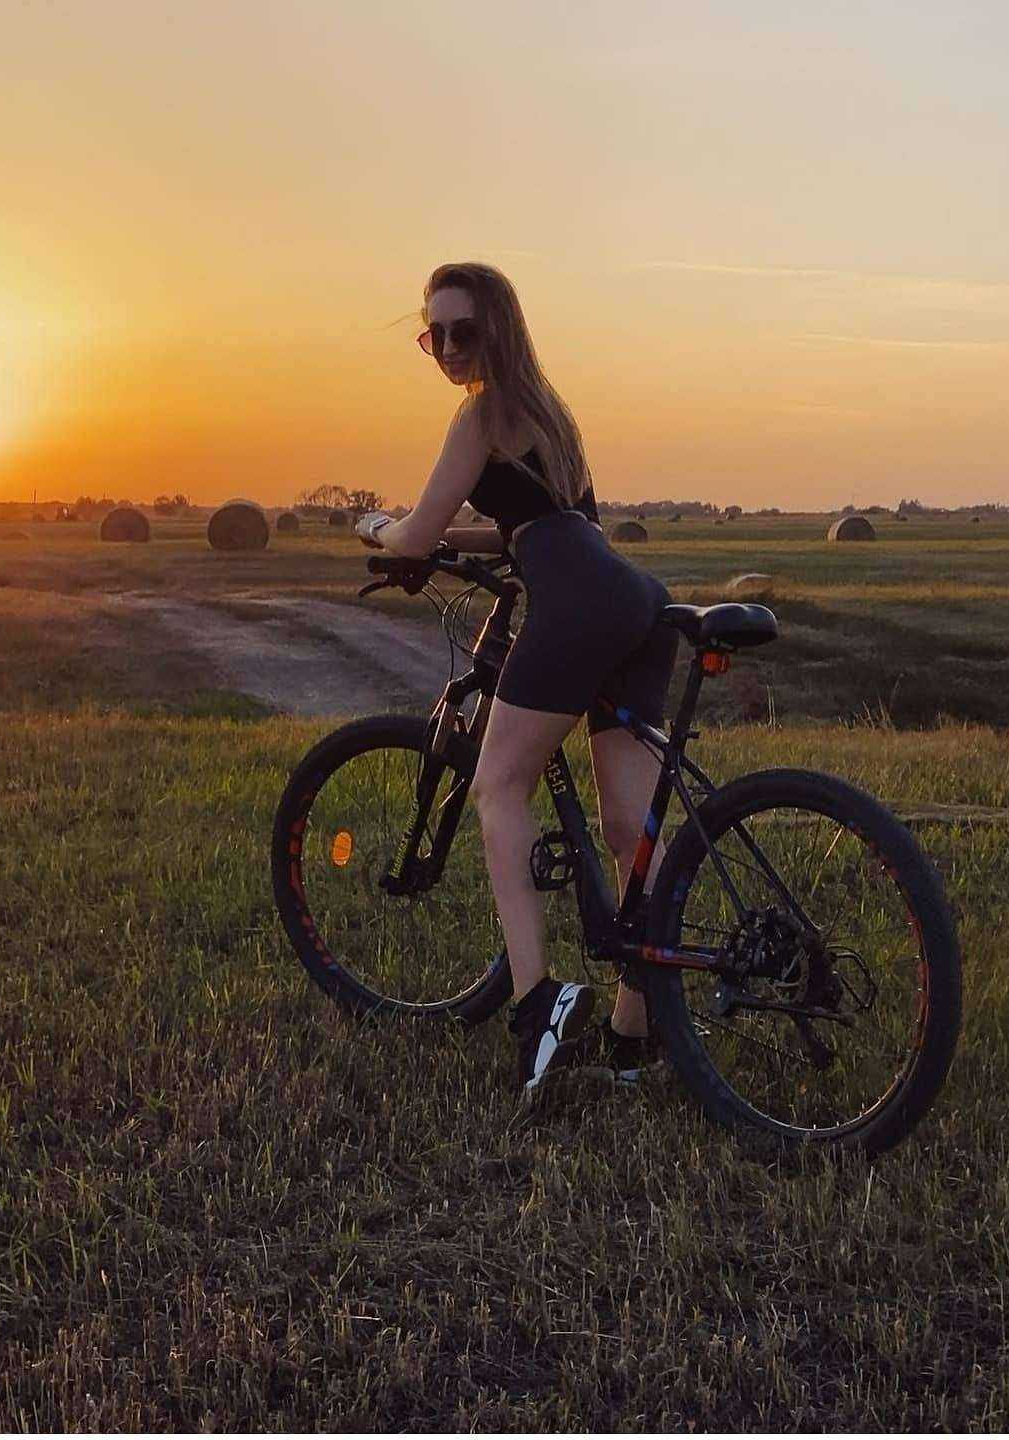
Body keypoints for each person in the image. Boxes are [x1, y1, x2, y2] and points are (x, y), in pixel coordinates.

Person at [354, 262, 678, 1095]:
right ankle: (637, 1036)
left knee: (499, 788)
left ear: (498, 327)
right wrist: (470, 542)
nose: (449, 349)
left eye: (464, 330)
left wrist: (381, 526)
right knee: (629, 829)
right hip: (631, 598)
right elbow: (547, 528)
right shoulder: (548, 412)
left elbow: (419, 533)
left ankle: (537, 1006)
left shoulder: (480, 414)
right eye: (435, 335)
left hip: (573, 604)